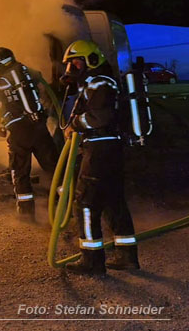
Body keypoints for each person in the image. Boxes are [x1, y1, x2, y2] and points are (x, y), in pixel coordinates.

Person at [61, 40, 139, 275]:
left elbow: (99, 117)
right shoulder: (97, 82)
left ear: (91, 60)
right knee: (113, 202)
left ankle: (92, 261)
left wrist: (75, 124)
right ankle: (127, 257)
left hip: (100, 150)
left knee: (85, 203)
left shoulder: (99, 83)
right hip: (109, 149)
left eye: (76, 62)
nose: (73, 68)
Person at [0, 47, 59, 222]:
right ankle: (68, 206)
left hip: (21, 131)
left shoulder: (5, 79)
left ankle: (27, 216)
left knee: (20, 172)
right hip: (39, 127)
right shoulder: (27, 71)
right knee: (54, 167)